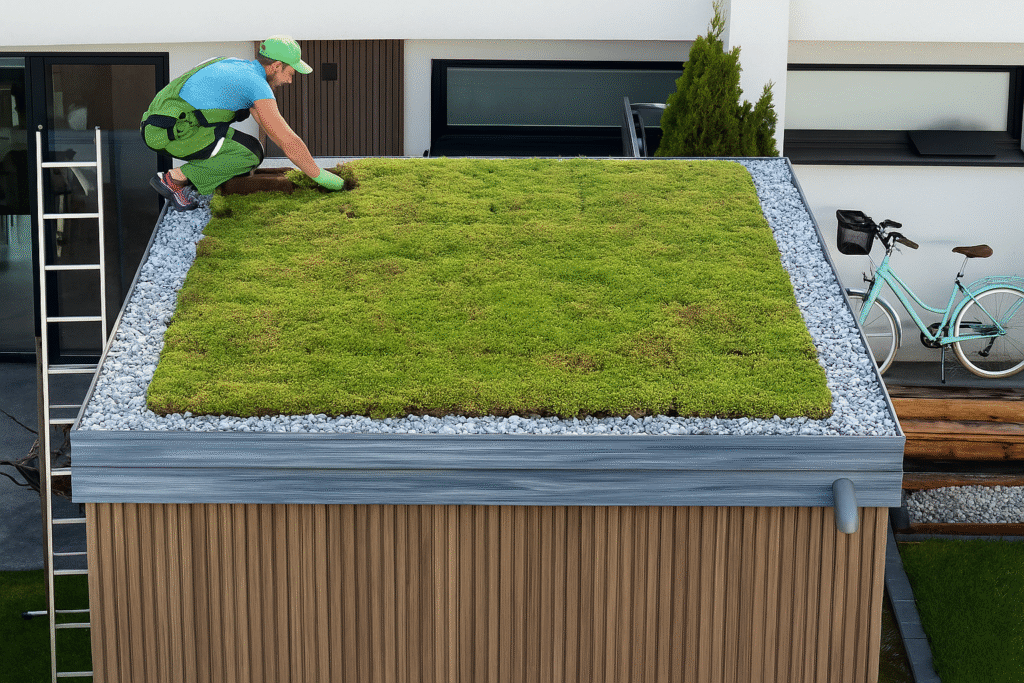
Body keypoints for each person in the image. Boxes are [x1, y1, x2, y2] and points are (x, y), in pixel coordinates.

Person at [140, 35, 344, 211]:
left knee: (253, 148)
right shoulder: (255, 84)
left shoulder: (239, 68)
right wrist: (319, 175)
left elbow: (271, 129)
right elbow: (286, 139)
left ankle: (190, 179)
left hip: (167, 125)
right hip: (170, 132)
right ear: (276, 66)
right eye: (290, 73)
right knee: (248, 155)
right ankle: (174, 180)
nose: (290, 81)